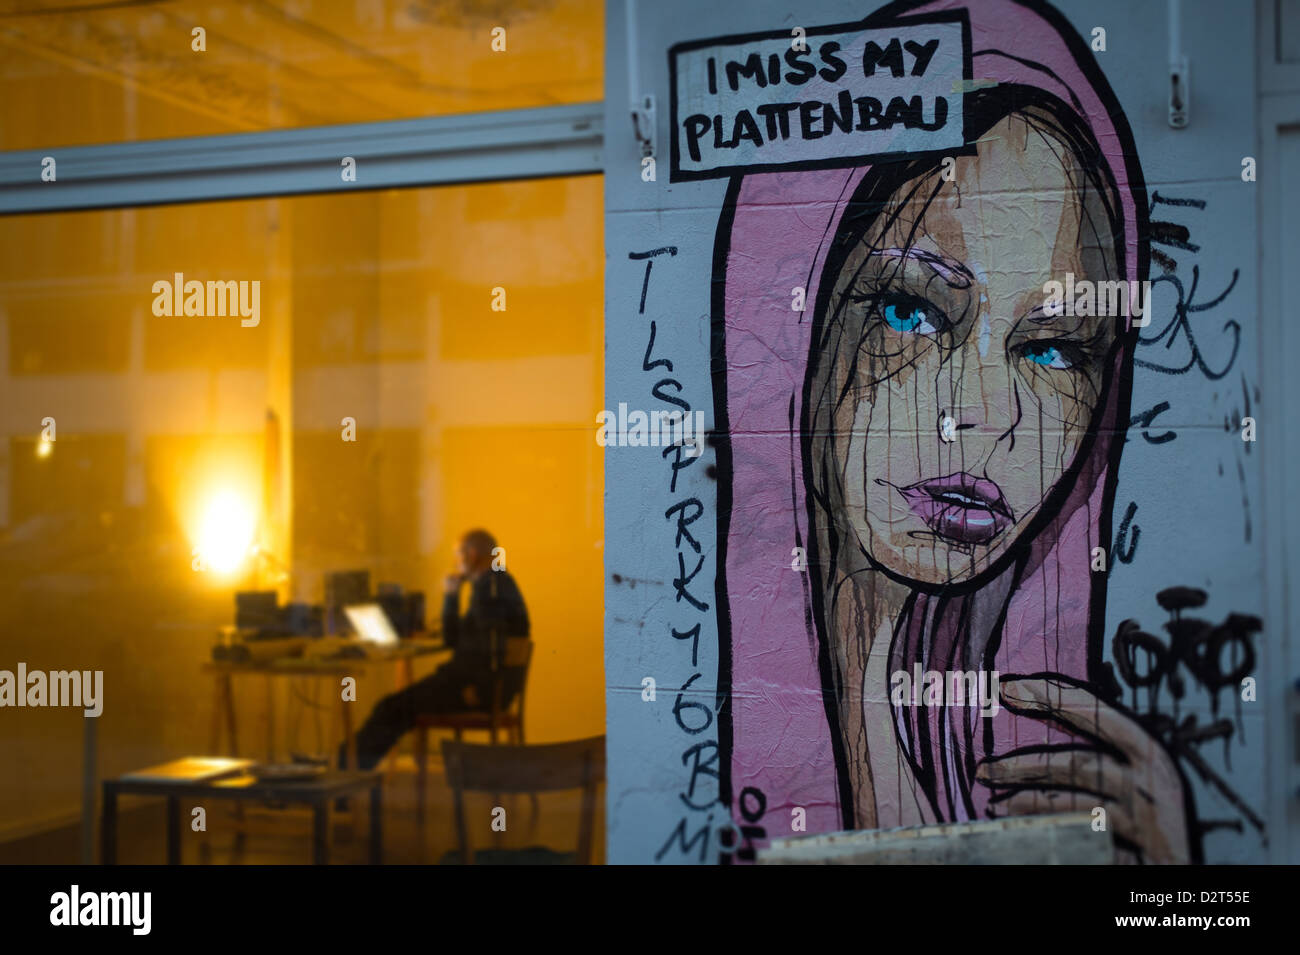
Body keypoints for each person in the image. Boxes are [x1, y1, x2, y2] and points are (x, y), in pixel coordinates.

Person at [720, 0, 1195, 863]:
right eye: (912, 310)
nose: (985, 415)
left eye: (1052, 350)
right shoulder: (732, 797)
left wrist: (1174, 882)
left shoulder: (1068, 785)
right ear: (803, 337)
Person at [345, 529, 529, 771]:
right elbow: (456, 640)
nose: (455, 563)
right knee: (393, 707)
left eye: (457, 555)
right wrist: (451, 596)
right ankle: (347, 770)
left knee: (390, 708)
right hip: (485, 688)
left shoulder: (489, 591)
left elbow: (487, 649)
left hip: (473, 690)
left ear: (472, 555)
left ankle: (346, 774)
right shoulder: (496, 584)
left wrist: (476, 690)